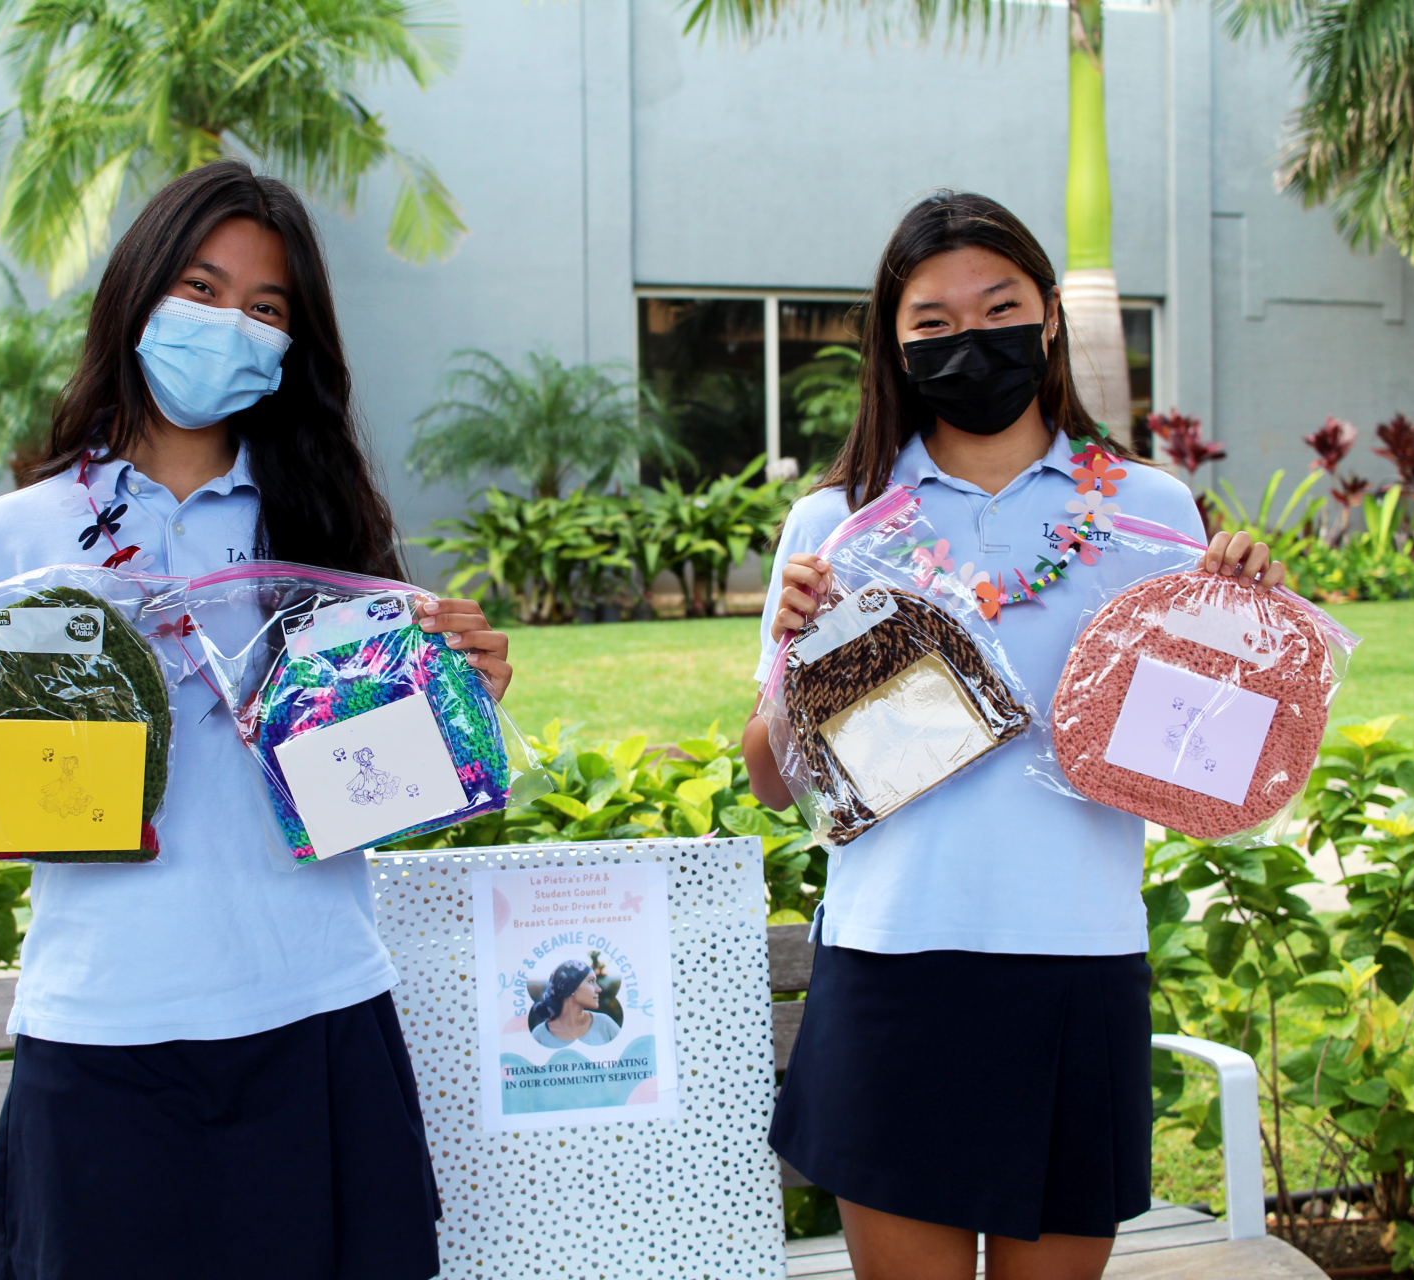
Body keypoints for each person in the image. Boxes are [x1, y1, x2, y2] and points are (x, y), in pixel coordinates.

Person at [0, 160, 513, 1280]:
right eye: (201, 288)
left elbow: (367, 792)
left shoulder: (327, 533)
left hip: (317, 1012)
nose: (230, 325)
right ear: (136, 297)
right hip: (100, 1030)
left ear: (295, 346)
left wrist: (454, 709)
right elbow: (23, 799)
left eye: (266, 309)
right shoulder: (7, 539)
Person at [743, 191, 1287, 1280]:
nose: (968, 339)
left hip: (1075, 962)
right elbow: (773, 782)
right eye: (931, 324)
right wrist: (797, 661)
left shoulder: (1154, 512)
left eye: (998, 306)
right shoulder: (838, 523)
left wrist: (1253, 627)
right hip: (893, 964)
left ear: (1048, 320)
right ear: (893, 347)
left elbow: (1209, 764)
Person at [530, 960, 622, 1048]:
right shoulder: (539, 1035)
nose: (599, 989)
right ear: (571, 988)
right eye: (591, 981)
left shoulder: (605, 1024)